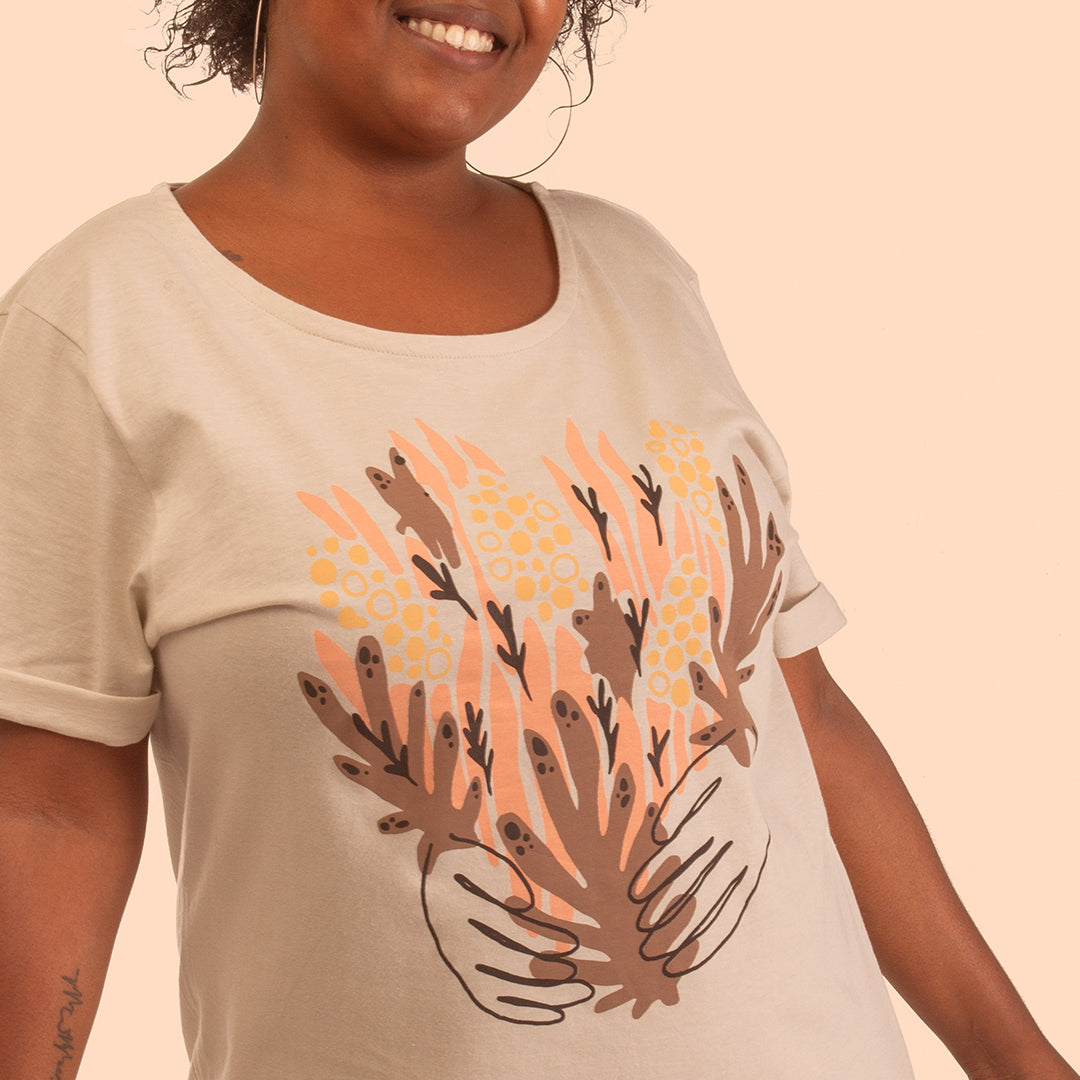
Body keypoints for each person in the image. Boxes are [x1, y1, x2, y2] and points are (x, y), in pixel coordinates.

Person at [0, 1, 1076, 1078]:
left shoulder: (640, 277)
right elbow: (51, 811)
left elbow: (804, 716)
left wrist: (1024, 1064)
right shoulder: (106, 323)